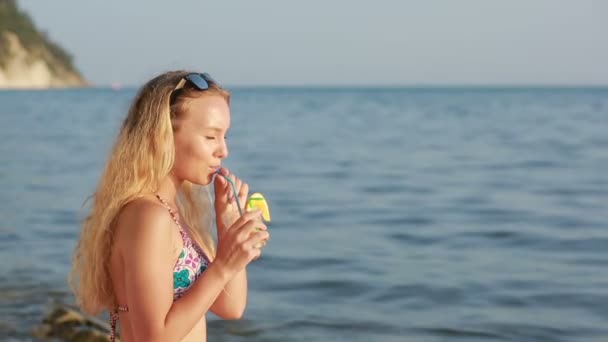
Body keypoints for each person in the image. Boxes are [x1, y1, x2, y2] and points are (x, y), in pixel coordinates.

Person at [69, 71, 270, 342]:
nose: (223, 151)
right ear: (162, 136)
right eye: (211, 137)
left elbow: (231, 307)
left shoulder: (174, 213)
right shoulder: (148, 217)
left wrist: (227, 229)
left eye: (225, 137)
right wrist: (222, 265)